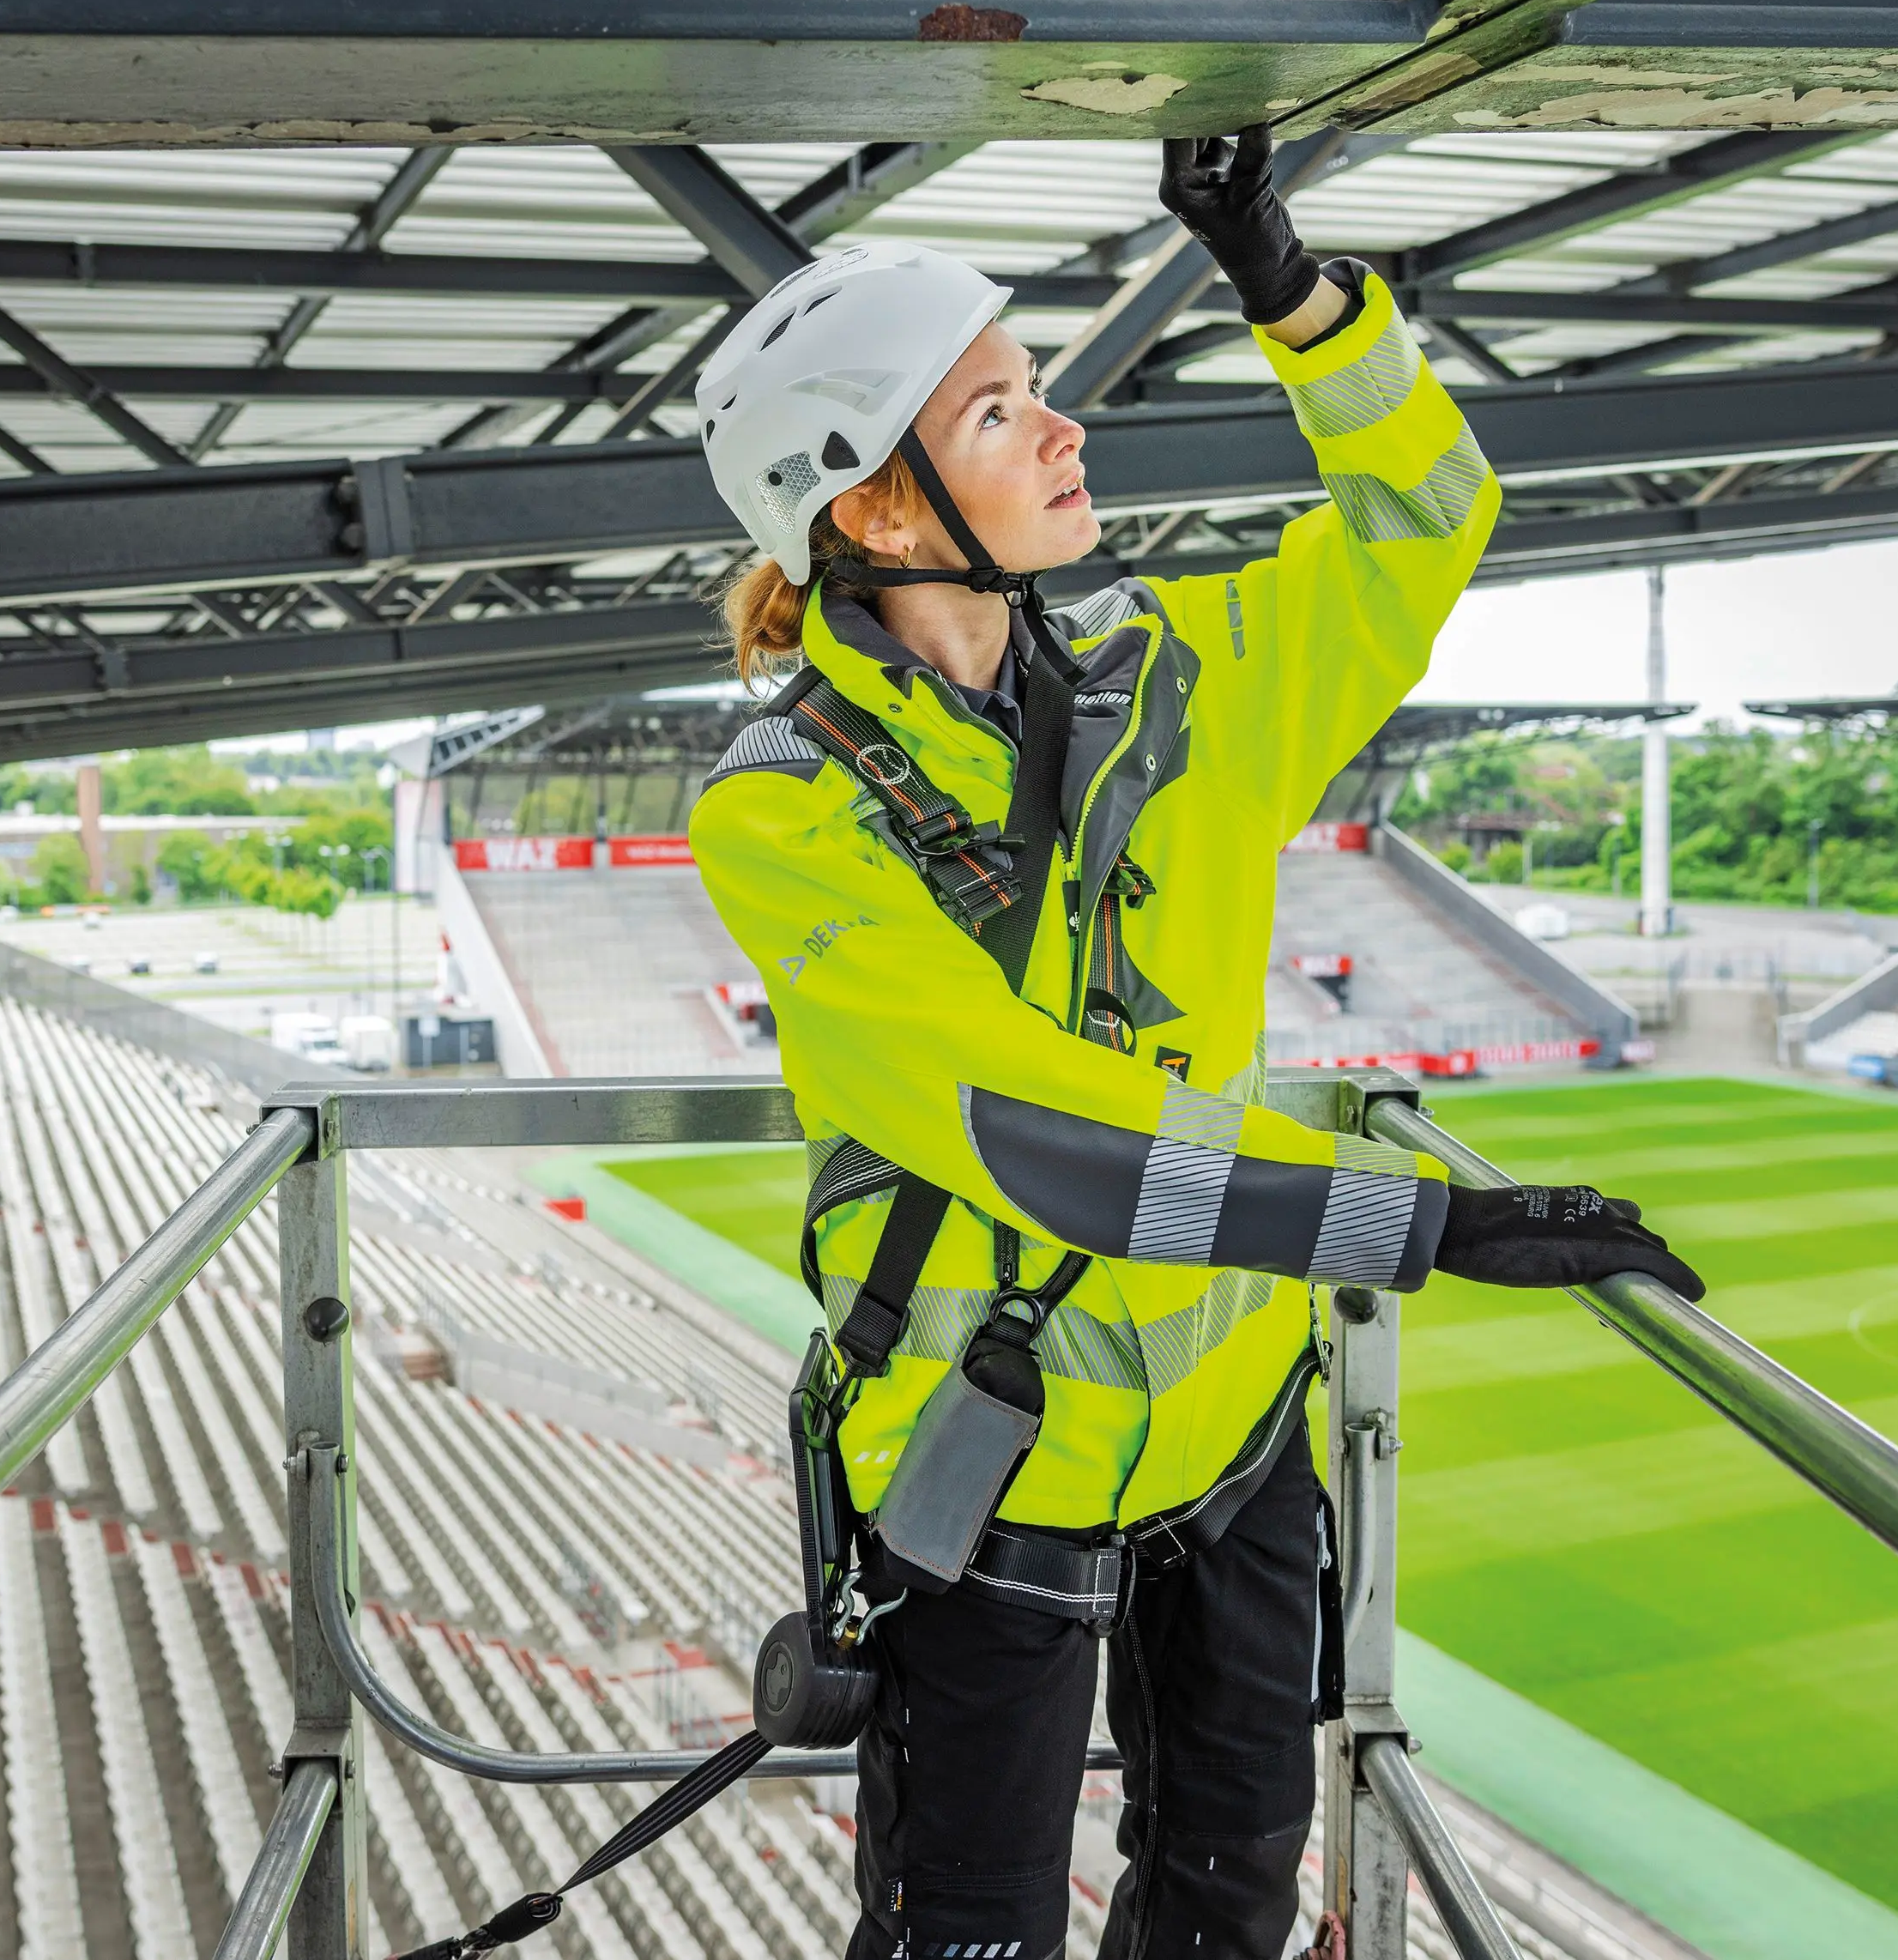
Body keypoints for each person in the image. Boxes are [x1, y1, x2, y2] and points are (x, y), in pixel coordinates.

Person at [685, 129, 1702, 1960]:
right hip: (993, 1463)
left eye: (1039, 389)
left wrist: (1290, 286)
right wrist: (1429, 1222)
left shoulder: (1182, 677)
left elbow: (1429, 513)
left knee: (1233, 1890)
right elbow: (1032, 1123)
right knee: (970, 1932)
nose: (1067, 426)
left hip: (1235, 1430)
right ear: (880, 509)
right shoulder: (782, 808)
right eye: (1001, 413)